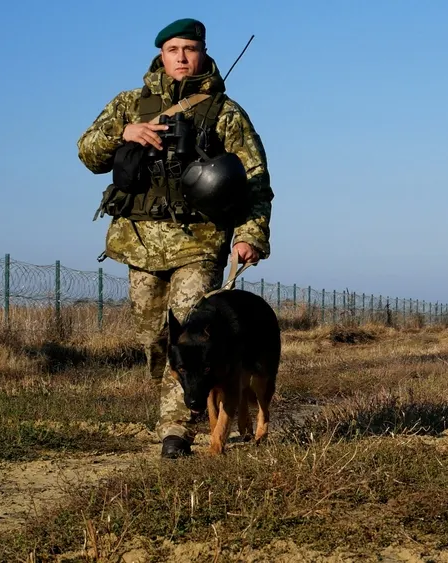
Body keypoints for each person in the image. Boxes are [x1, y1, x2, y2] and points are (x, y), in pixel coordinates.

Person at [77, 18, 274, 458]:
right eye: (173, 49)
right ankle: (179, 401)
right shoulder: (129, 103)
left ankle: (175, 431)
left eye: (190, 48)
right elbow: (87, 151)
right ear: (161, 55)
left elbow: (256, 180)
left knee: (192, 333)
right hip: (139, 241)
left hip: (200, 241)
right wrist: (123, 132)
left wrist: (250, 235)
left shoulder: (225, 112)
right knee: (155, 340)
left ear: (202, 52)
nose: (182, 57)